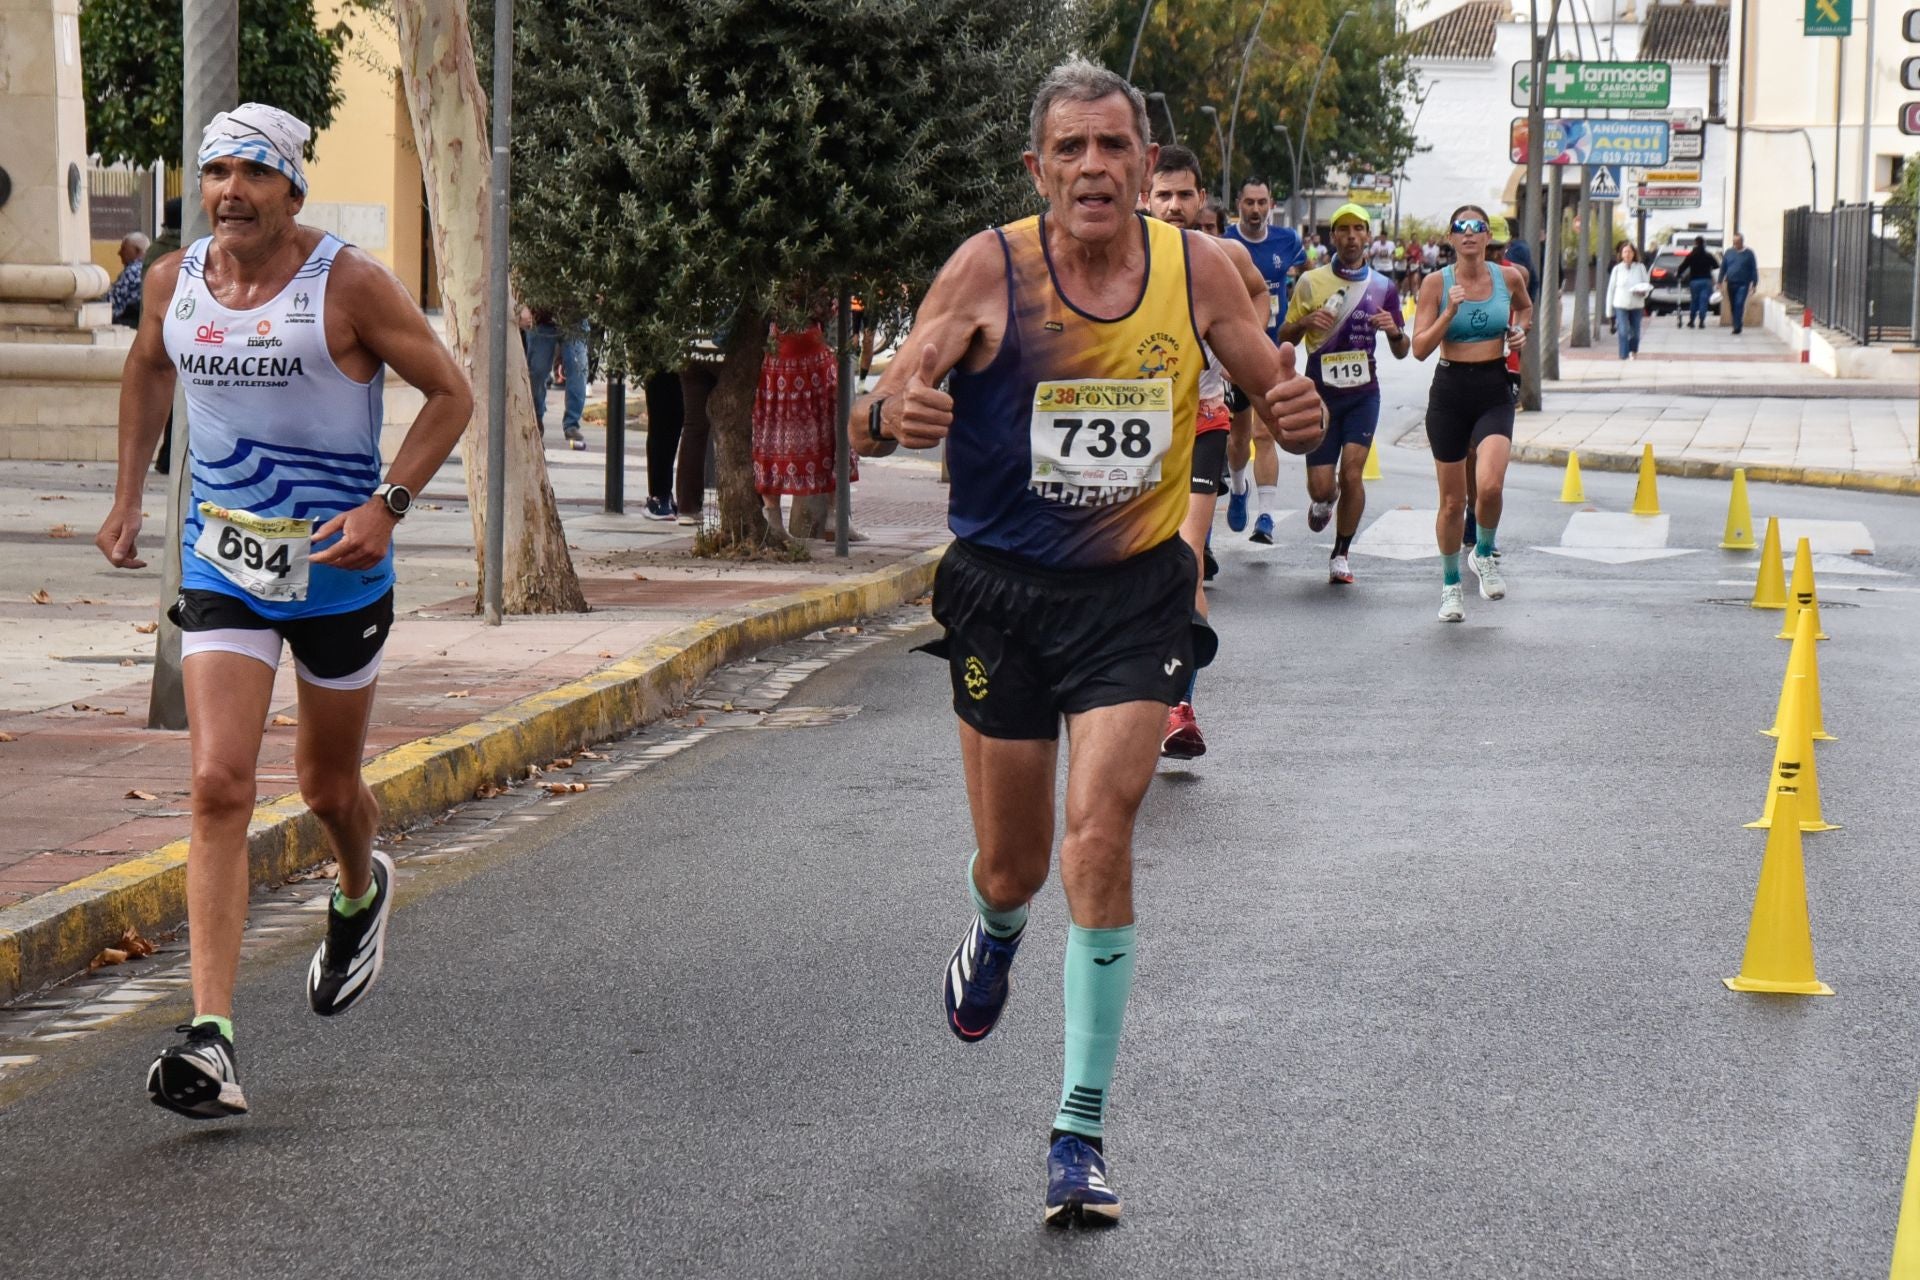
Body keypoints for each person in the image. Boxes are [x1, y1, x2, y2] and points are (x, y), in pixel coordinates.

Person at [849, 58, 1325, 1225]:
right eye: (1071, 149)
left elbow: (1267, 379)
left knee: (1099, 834)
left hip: (1134, 596)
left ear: (1140, 158)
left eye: (1114, 145)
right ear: (1038, 168)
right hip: (1003, 597)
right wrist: (892, 414)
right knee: (1015, 866)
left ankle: (1078, 1130)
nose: (1096, 168)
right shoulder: (987, 268)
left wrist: (1293, 410)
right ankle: (997, 926)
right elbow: (878, 411)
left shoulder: (1196, 267)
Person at [92, 104, 472, 1118]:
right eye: (216, 174)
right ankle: (209, 1037)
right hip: (223, 561)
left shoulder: (345, 283)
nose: (231, 193)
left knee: (325, 784)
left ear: (291, 190)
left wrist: (386, 505)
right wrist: (129, 494)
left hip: (339, 570)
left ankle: (359, 887)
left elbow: (449, 392)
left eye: (254, 175)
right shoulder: (176, 282)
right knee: (219, 781)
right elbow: (147, 369)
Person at [1143, 144, 1268, 758]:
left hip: (1203, 423)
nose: (1173, 206)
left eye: (1184, 195)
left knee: (1185, 562)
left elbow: (1259, 297)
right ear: (1146, 197)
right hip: (1135, 435)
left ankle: (1178, 705)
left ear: (1201, 201)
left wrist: (1245, 351)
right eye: (1163, 194)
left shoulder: (1225, 256)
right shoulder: (1122, 257)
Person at [1410, 205, 1532, 623]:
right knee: (1451, 502)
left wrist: (1521, 332)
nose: (1468, 234)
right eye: (1460, 228)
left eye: (1476, 227)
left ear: (1487, 236)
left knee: (1491, 486)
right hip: (1449, 391)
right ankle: (1450, 586)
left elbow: (1526, 308)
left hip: (1494, 387)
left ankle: (1483, 553)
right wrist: (1448, 313)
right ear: (1450, 238)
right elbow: (1420, 348)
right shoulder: (1435, 284)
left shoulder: (1508, 277)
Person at [1278, 204, 1408, 586]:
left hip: (1363, 395)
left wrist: (1394, 332)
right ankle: (1324, 499)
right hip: (1320, 395)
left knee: (1353, 473)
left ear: (1368, 236)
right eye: (1343, 230)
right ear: (1332, 237)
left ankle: (1341, 554)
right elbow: (1284, 338)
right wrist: (1304, 322)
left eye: (1358, 229)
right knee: (1322, 485)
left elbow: (1403, 349)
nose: (1351, 237)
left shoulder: (1385, 287)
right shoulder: (1310, 282)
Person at [1222, 178, 1307, 545]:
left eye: (1262, 203)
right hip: (1233, 352)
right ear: (1237, 205)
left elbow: (1301, 280)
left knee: (1265, 432)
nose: (1256, 210)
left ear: (1271, 203)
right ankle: (1239, 487)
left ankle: (1267, 517)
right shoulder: (1224, 242)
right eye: (1249, 203)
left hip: (1271, 352)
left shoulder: (1287, 241)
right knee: (1238, 438)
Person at [752, 313, 855, 542]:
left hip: (783, 360)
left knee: (776, 436)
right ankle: (833, 517)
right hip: (808, 357)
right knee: (829, 435)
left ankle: (774, 519)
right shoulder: (815, 286)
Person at [525, 307, 589, 448]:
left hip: (574, 318)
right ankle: (537, 417)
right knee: (537, 371)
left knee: (578, 368)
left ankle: (572, 424)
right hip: (541, 318)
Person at [641, 368, 683, 520]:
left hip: (672, 361)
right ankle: (658, 495)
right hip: (657, 359)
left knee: (674, 420)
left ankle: (664, 493)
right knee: (661, 422)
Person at [1607, 240, 1650, 360]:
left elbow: (1646, 284)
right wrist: (1609, 312)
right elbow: (1611, 290)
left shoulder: (1640, 268)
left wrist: (1643, 292)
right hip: (1621, 304)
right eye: (1625, 252)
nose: (1627, 254)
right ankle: (1623, 354)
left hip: (1636, 304)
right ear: (1621, 254)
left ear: (1634, 254)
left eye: (1630, 252)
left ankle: (1633, 350)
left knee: (1635, 332)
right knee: (1623, 330)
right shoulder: (1617, 269)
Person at [107, 232, 150, 328]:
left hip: (127, 325)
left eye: (123, 249)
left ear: (137, 251)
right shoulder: (151, 268)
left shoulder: (132, 271)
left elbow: (111, 302)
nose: (119, 253)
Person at [1720, 232, 1758, 335]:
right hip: (1731, 283)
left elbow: (1753, 269)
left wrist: (1754, 283)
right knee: (1733, 305)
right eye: (1733, 242)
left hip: (1743, 284)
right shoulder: (1729, 252)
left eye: (1736, 242)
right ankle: (1737, 324)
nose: (1734, 244)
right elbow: (1723, 267)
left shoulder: (1749, 253)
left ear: (1741, 242)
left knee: (1739, 304)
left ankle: (1737, 326)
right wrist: (1720, 281)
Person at [1680, 235, 1719, 329]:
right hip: (1706, 281)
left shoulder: (1691, 255)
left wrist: (1678, 274)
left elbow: (1683, 266)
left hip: (1694, 281)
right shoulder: (1708, 255)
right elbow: (1716, 266)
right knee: (1703, 301)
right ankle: (1701, 321)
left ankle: (1692, 321)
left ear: (1695, 243)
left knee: (1694, 301)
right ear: (1704, 244)